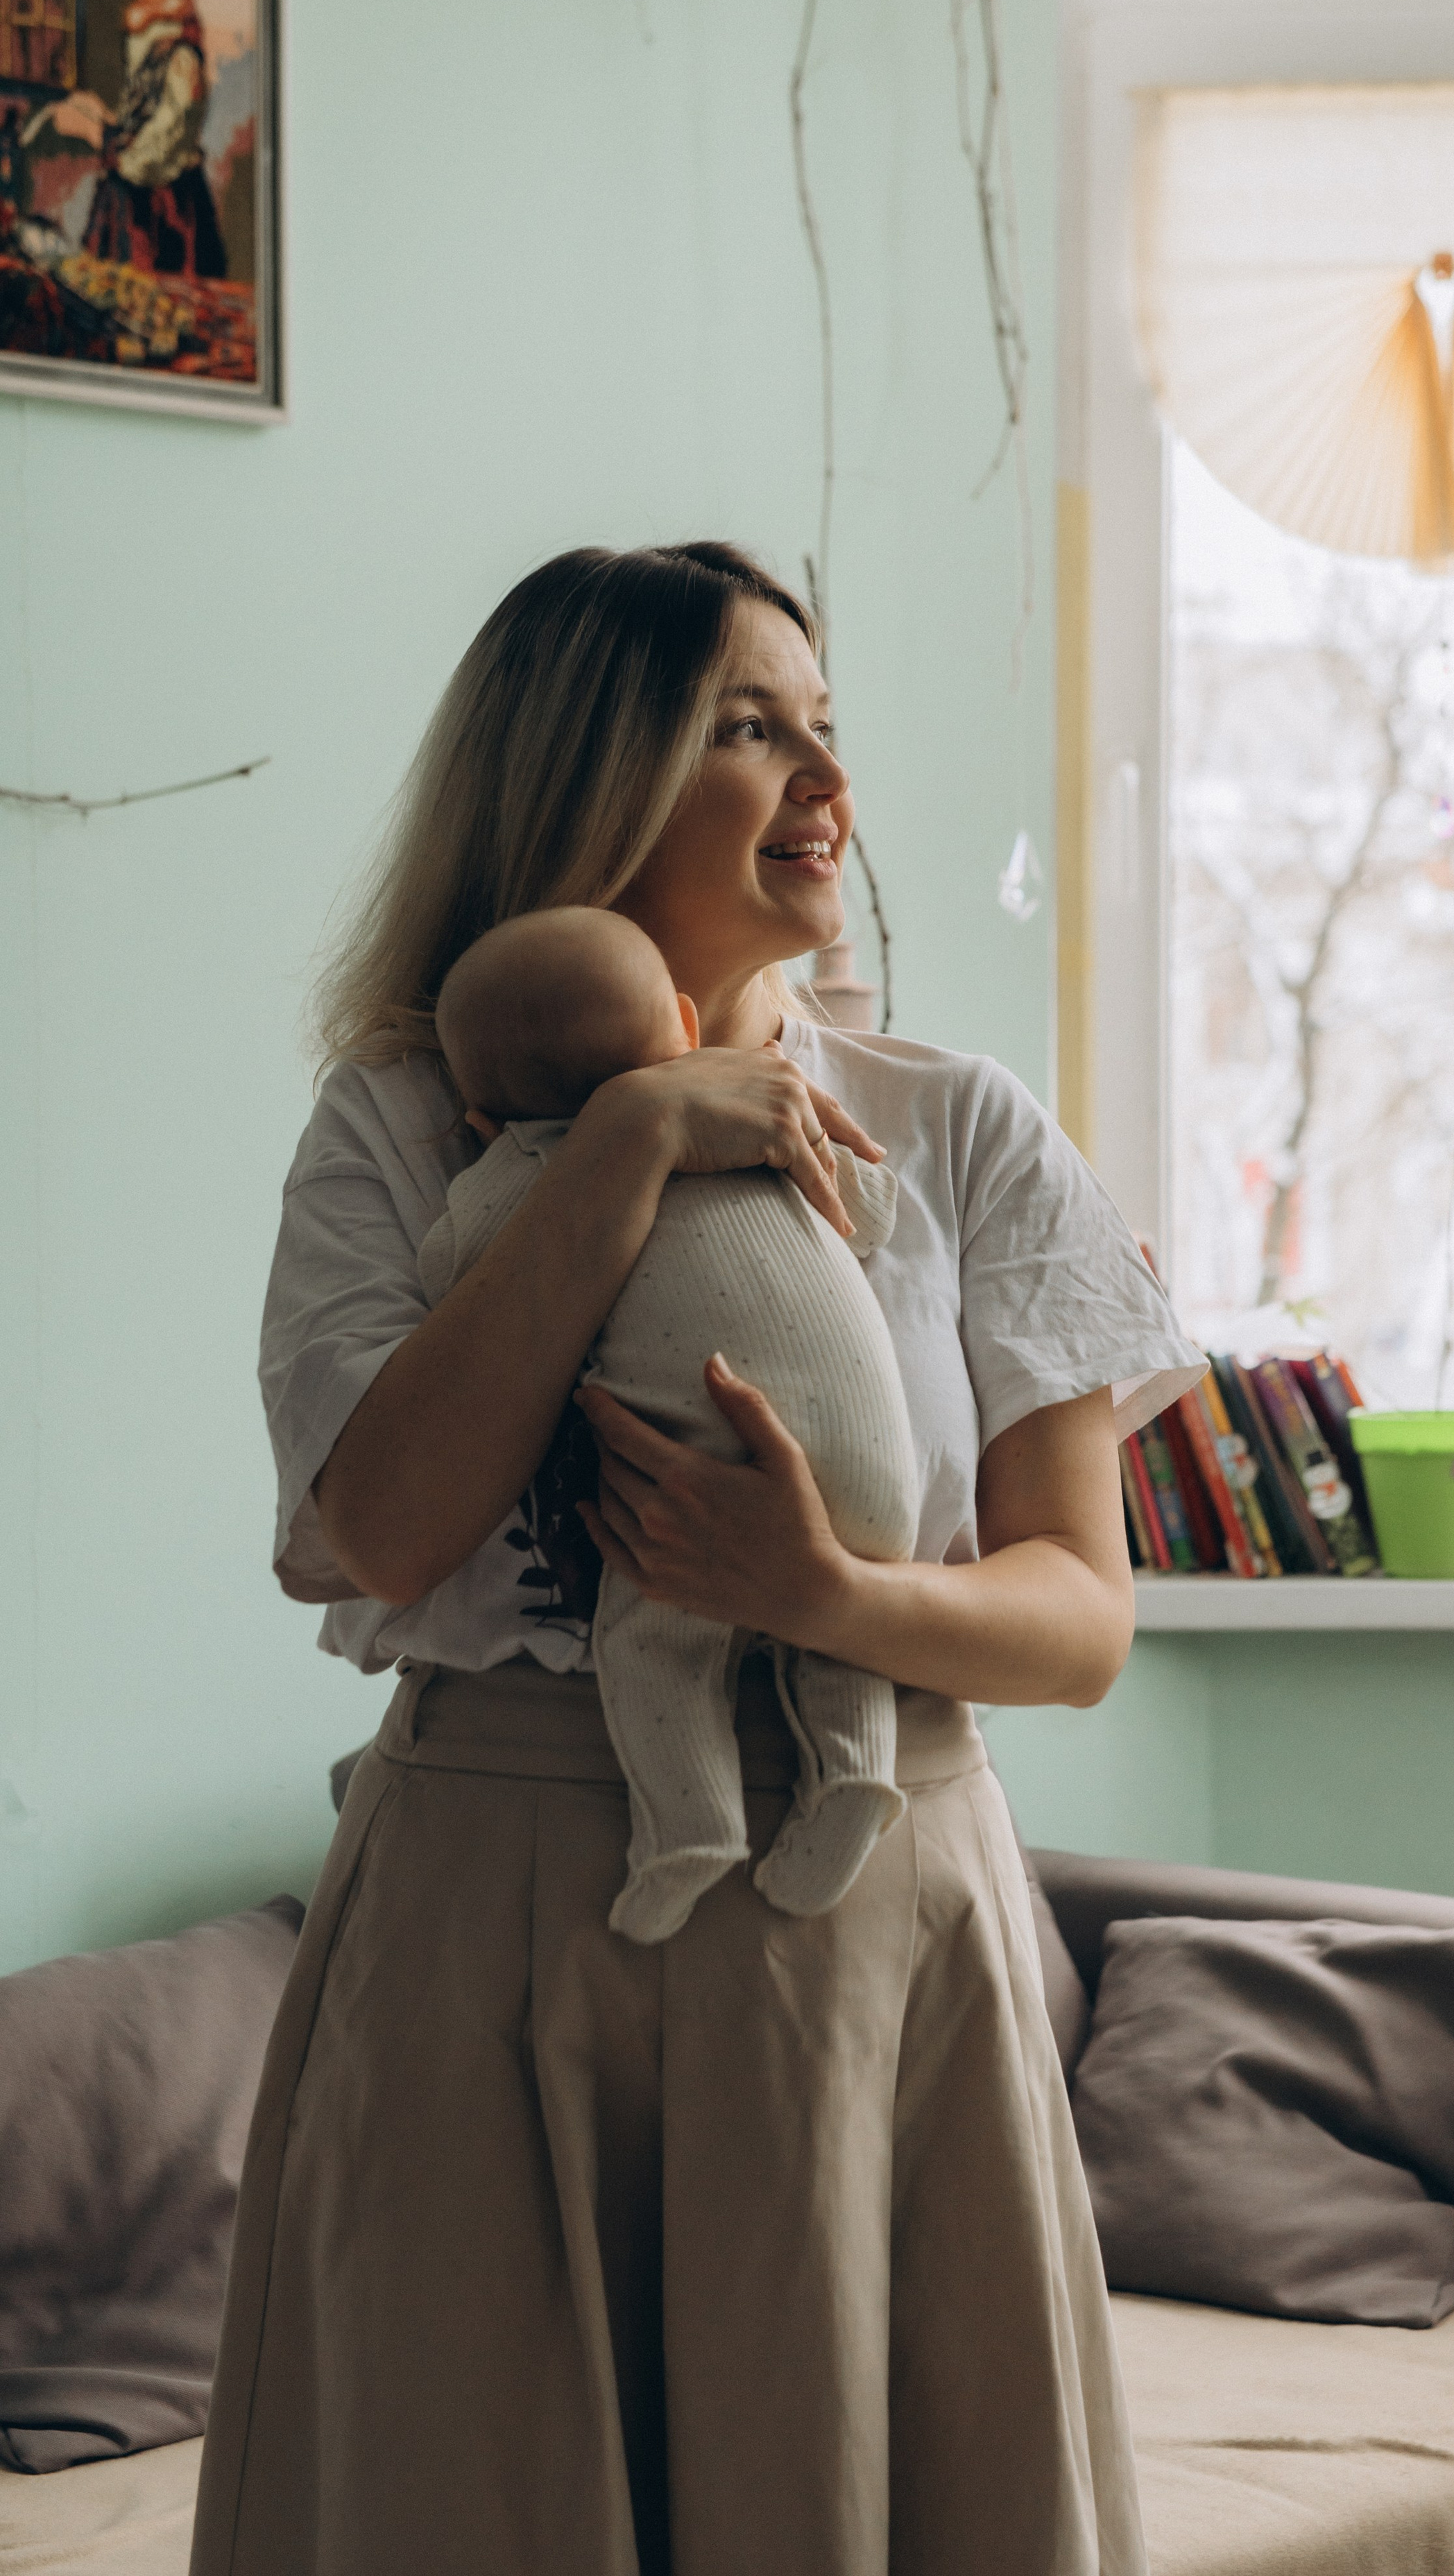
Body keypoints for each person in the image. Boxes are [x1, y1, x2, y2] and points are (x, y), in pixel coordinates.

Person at [191, 540, 1204, 2576]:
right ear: (585, 781)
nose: (823, 777)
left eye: (825, 725)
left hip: (879, 1937)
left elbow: (1078, 1617)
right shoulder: (395, 1132)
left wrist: (826, 1598)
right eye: (750, 728)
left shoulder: (964, 1130)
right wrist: (636, 1135)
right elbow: (372, 1528)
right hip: (495, 1934)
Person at [418, 902, 917, 1941]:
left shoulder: (524, 1175)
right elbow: (870, 1216)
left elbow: (457, 1285)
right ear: (686, 1026)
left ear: (480, 1111)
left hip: (704, 1476)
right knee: (846, 1630)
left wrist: (492, 1172)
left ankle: (689, 1825)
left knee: (657, 1642)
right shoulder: (767, 1117)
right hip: (882, 1473)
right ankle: (860, 1772)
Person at [49, 0, 225, 280]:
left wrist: (97, 134)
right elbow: (144, 116)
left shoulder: (179, 39)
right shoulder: (140, 19)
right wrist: (107, 117)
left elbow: (162, 146)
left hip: (163, 215)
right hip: (128, 204)